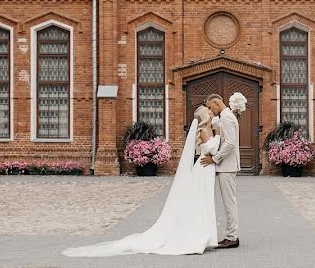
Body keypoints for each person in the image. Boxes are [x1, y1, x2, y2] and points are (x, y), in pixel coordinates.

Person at [62, 106, 218, 256]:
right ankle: (199, 234)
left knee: (203, 200)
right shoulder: (204, 130)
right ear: (205, 115)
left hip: (207, 167)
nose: (211, 112)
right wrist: (218, 134)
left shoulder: (208, 128)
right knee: (200, 200)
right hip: (204, 167)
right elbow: (212, 149)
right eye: (209, 110)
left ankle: (205, 233)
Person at [200, 93, 240, 249]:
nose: (211, 110)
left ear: (217, 103)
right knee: (229, 202)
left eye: (210, 107)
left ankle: (232, 237)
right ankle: (231, 236)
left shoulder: (227, 118)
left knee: (230, 203)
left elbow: (229, 144)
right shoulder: (225, 116)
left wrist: (215, 159)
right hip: (226, 166)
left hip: (227, 166)